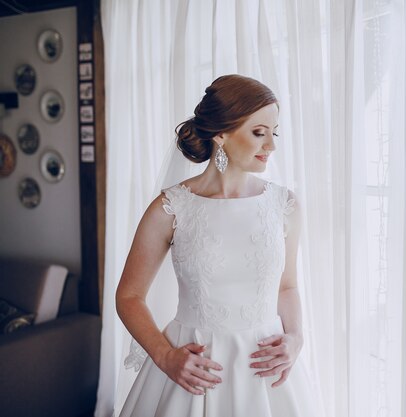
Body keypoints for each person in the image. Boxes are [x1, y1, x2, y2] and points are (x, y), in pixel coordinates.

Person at [116, 74, 318, 416]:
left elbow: (287, 286)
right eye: (259, 133)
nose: (271, 146)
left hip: (264, 371)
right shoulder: (170, 208)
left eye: (274, 133)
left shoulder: (284, 205)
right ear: (221, 134)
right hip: (193, 370)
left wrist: (296, 338)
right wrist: (166, 357)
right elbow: (129, 296)